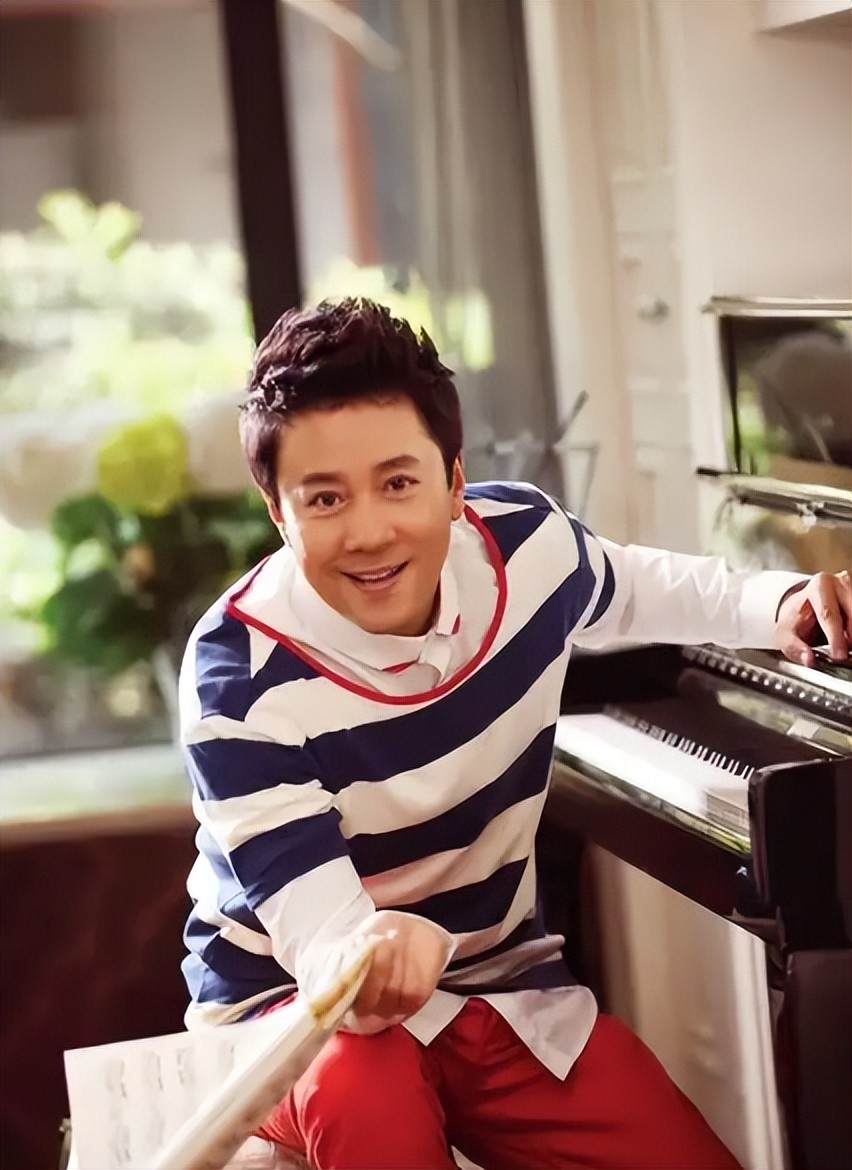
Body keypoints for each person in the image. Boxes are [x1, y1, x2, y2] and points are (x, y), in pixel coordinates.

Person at [179, 298, 851, 1170]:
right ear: (278, 511)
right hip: (301, 1013)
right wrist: (376, 950)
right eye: (326, 498)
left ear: (454, 481)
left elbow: (642, 588)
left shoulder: (525, 547)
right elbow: (327, 948)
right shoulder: (237, 676)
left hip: (493, 982)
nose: (370, 530)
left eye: (399, 483)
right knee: (368, 1083)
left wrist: (781, 602)